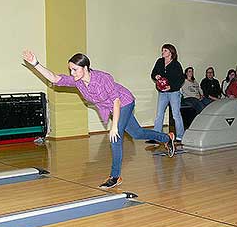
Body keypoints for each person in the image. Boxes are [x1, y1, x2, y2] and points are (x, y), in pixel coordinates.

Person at [22, 50, 175, 189]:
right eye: (70, 70)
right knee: (137, 134)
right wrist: (35, 64)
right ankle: (166, 138)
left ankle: (115, 177)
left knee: (115, 137)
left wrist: (114, 126)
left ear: (86, 67)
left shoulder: (103, 78)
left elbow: (116, 101)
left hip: (124, 102)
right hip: (112, 107)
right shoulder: (78, 81)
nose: (72, 73)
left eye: (75, 69)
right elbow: (55, 78)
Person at [149, 44, 185, 143]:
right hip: (162, 93)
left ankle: (180, 136)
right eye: (162, 50)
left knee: (176, 114)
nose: (162, 52)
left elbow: (181, 79)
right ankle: (157, 136)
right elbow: (153, 73)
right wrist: (155, 76)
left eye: (165, 50)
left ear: (170, 52)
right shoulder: (159, 62)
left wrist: (171, 87)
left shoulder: (176, 64)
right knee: (159, 114)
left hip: (174, 93)